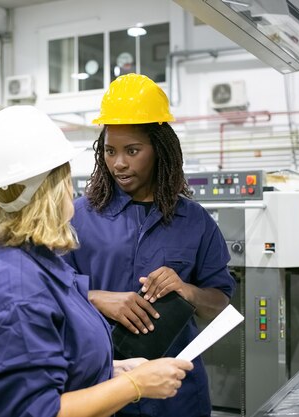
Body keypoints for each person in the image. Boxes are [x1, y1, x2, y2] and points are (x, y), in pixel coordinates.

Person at [0, 105, 194, 417]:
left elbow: (55, 362)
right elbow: (35, 410)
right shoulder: (16, 289)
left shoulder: (35, 260)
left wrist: (112, 370)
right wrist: (134, 385)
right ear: (54, 186)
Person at [63, 74, 236, 417]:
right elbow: (47, 293)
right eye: (110, 151)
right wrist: (96, 298)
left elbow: (219, 303)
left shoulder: (194, 221)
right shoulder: (78, 217)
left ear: (160, 151)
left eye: (132, 151)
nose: (119, 164)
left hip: (177, 395)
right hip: (103, 387)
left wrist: (188, 291)